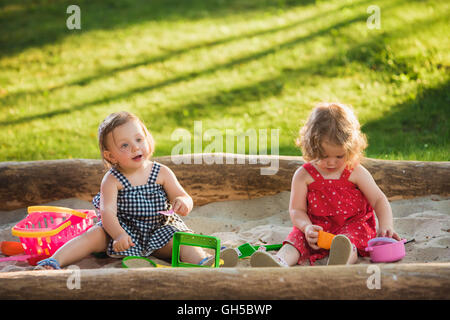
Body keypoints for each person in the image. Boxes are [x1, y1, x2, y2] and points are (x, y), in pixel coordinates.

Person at [36, 111, 220, 269]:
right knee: (92, 235)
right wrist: (118, 235)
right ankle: (53, 261)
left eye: (139, 139)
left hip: (159, 230)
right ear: (110, 156)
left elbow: (182, 195)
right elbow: (107, 211)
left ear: (147, 139)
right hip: (122, 231)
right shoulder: (112, 179)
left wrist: (183, 203)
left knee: (183, 238)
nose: (135, 147)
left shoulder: (161, 172)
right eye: (124, 145)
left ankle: (203, 262)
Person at [251, 102, 400, 267]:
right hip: (317, 229)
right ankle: (280, 261)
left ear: (351, 149)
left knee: (348, 242)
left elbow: (378, 200)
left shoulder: (355, 171)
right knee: (296, 239)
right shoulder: (303, 175)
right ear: (311, 148)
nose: (331, 162)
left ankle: (339, 262)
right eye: (323, 155)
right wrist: (306, 227)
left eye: (339, 156)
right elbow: (296, 210)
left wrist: (386, 225)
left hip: (352, 226)